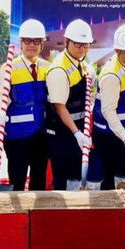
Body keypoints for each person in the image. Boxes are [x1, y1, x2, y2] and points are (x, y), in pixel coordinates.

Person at [0, 19, 51, 191]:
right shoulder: (9, 68)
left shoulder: (48, 68)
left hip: (41, 134)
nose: (31, 45)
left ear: (42, 44)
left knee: (39, 180)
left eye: (36, 41)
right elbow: (1, 97)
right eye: (27, 41)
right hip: (16, 135)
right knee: (17, 180)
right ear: (21, 43)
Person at [89, 24, 125, 189]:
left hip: (119, 131)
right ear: (117, 50)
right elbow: (108, 112)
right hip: (108, 134)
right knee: (110, 180)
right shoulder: (112, 75)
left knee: (121, 177)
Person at [45, 19, 96, 190]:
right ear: (66, 41)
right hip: (62, 133)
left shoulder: (80, 63)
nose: (82, 49)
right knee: (63, 179)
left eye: (85, 45)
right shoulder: (59, 70)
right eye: (78, 44)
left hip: (77, 129)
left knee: (75, 177)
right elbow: (60, 107)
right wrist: (77, 133)